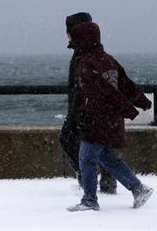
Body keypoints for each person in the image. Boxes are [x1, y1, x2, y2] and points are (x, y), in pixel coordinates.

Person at [66, 19, 153, 212]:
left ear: (84, 39)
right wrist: (142, 100)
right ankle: (139, 189)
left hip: (95, 120)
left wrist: (131, 108)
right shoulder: (108, 59)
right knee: (108, 158)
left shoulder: (88, 62)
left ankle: (89, 200)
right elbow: (125, 83)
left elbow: (106, 90)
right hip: (110, 120)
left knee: (86, 159)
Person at [60, 12, 117, 194]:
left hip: (87, 109)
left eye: (68, 30)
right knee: (100, 146)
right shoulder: (87, 52)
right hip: (93, 108)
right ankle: (105, 180)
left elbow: (81, 86)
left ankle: (91, 179)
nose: (66, 34)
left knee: (71, 138)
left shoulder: (84, 55)